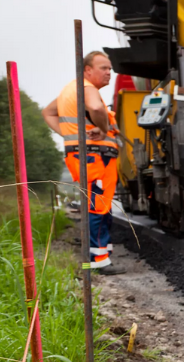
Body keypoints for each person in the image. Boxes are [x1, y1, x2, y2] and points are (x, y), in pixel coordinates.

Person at [41, 51, 125, 274]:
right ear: (88, 70)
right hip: (95, 157)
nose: (109, 72)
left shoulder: (71, 89)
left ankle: (99, 255)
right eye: (103, 68)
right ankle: (98, 262)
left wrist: (71, 137)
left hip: (84, 155)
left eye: (110, 68)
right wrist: (104, 128)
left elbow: (47, 112)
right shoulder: (88, 89)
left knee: (99, 205)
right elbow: (97, 109)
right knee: (97, 208)